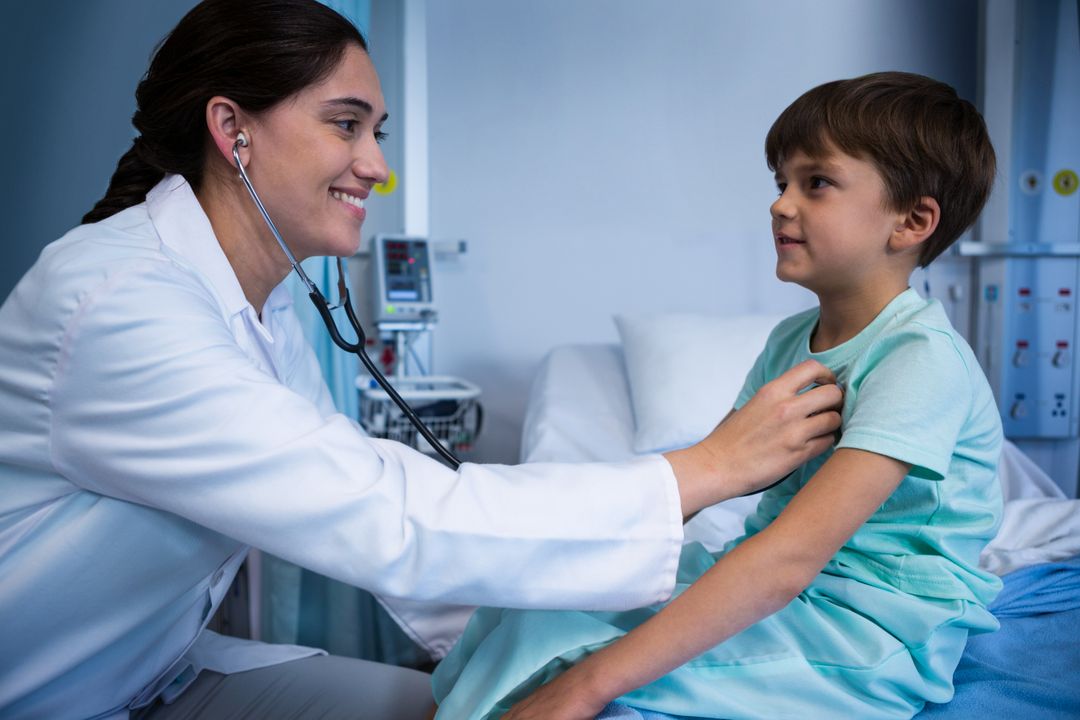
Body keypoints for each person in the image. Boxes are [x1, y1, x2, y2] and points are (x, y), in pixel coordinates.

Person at [0, 1, 844, 717]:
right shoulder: (120, 305)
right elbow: (386, 519)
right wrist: (703, 469)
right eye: (346, 125)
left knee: (464, 706)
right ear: (233, 130)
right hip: (48, 697)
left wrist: (557, 661)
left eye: (378, 132)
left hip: (158, 673)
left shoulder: (264, 302)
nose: (377, 166)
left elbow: (391, 539)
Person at [429, 71, 1005, 720]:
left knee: (581, 667)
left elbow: (789, 559)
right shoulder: (792, 339)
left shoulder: (917, 360)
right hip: (783, 588)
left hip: (867, 631)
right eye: (780, 183)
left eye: (816, 182)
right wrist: (553, 551)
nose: (780, 204)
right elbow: (712, 473)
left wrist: (586, 684)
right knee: (531, 605)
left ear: (913, 220)